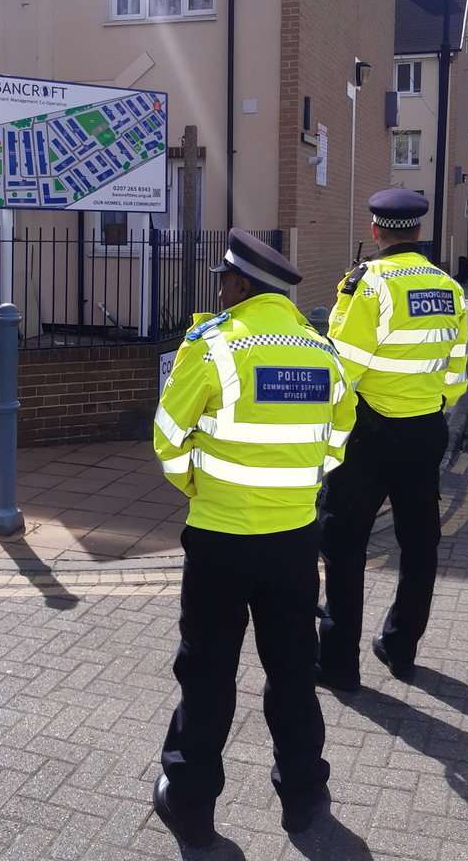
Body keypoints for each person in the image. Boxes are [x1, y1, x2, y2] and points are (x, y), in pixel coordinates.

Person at [152, 228, 357, 848]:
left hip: (219, 541)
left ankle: (190, 807)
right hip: (295, 540)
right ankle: (303, 800)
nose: (220, 290)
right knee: (293, 670)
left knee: (208, 674)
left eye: (224, 281)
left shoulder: (212, 347)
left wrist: (205, 489)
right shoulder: (323, 354)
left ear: (242, 285)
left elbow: (166, 435)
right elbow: (338, 437)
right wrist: (299, 486)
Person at [316, 189, 468, 691]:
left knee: (344, 546)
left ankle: (339, 665)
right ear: (418, 232)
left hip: (369, 436)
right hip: (426, 432)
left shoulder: (369, 284)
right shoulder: (449, 287)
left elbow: (344, 370)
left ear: (377, 232)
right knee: (420, 542)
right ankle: (401, 646)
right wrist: (431, 409)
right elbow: (455, 372)